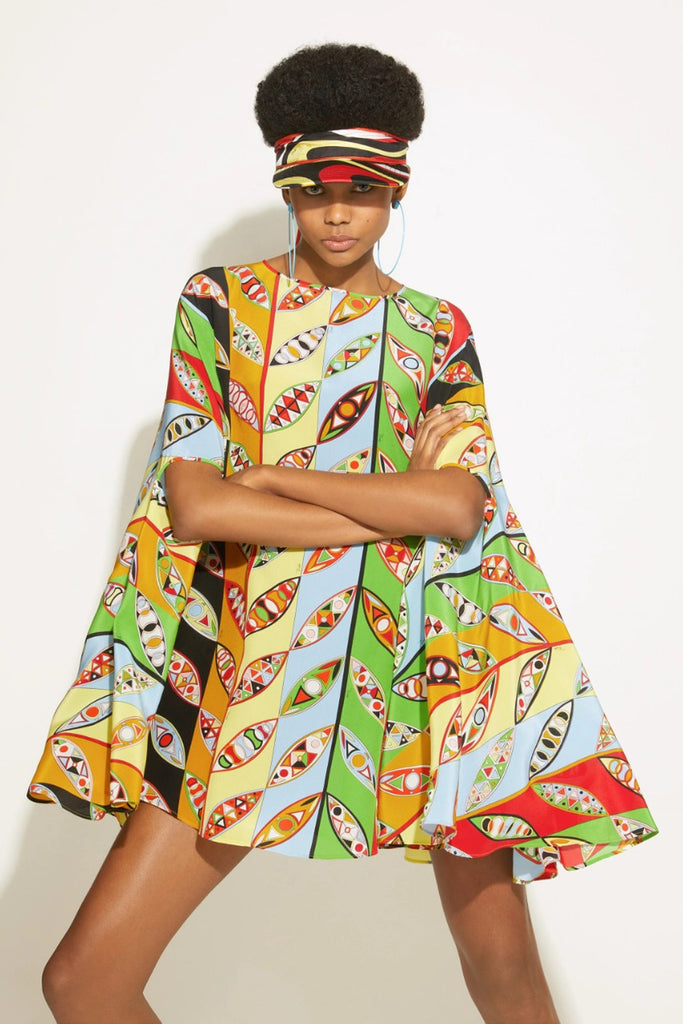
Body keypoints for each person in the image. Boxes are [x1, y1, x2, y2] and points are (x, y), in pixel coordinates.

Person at [29, 42, 658, 1024]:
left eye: (362, 189)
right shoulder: (218, 308)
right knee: (82, 981)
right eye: (314, 188)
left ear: (396, 188)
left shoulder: (437, 330)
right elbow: (197, 507)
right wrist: (387, 503)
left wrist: (274, 475)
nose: (335, 211)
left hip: (425, 672)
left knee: (501, 967)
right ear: (284, 183)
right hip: (244, 669)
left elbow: (457, 510)